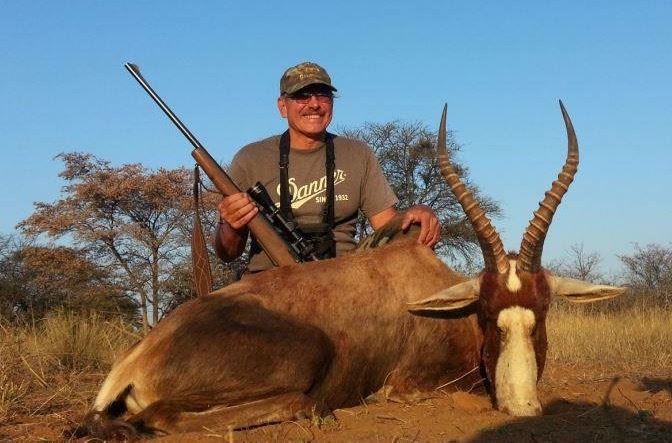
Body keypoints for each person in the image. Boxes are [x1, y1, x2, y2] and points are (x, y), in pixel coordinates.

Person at [215, 61, 440, 273]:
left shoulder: (357, 154)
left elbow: (387, 227)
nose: (314, 104)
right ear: (282, 106)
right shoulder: (250, 159)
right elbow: (228, 253)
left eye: (322, 95)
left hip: (343, 277)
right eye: (302, 95)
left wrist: (420, 213)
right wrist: (232, 226)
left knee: (414, 237)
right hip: (269, 281)